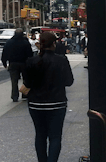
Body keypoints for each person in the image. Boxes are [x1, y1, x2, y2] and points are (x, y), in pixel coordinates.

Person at [23, 32, 74, 162]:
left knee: (40, 135)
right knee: (55, 137)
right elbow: (69, 81)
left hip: (36, 103)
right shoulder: (61, 60)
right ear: (53, 44)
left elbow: (27, 83)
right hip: (57, 103)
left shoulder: (31, 61)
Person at [1, 28, 33, 102]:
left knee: (14, 81)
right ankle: (25, 94)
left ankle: (15, 96)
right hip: (24, 63)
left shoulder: (9, 42)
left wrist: (4, 63)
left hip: (13, 63)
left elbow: (4, 53)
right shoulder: (25, 43)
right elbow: (30, 54)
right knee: (26, 79)